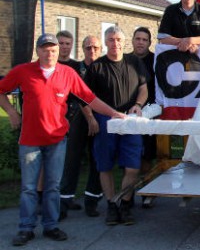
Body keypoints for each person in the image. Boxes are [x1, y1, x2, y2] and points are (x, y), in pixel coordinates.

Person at [0, 34, 125, 247]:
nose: (49, 53)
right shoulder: (23, 71)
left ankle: (50, 225)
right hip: (30, 140)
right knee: (29, 188)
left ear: (59, 51)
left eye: (53, 49)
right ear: (38, 51)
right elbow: (2, 90)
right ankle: (25, 228)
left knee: (53, 186)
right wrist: (11, 112)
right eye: (45, 49)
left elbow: (90, 98)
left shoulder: (67, 73)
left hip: (57, 140)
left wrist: (114, 113)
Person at [83, 26, 148, 226]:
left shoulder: (135, 62)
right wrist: (91, 119)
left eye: (118, 39)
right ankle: (112, 205)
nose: (115, 43)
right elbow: (85, 98)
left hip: (129, 121)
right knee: (105, 165)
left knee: (132, 167)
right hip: (105, 121)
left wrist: (138, 105)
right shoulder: (96, 67)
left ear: (123, 41)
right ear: (106, 42)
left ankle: (125, 204)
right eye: (111, 40)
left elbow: (144, 89)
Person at [59, 35, 104, 220]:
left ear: (100, 49)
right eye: (87, 48)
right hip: (78, 117)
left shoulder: (104, 67)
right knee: (72, 160)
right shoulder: (75, 68)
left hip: (99, 118)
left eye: (95, 47)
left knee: (97, 160)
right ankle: (64, 202)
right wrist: (89, 117)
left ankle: (91, 201)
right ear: (82, 49)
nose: (91, 51)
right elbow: (78, 96)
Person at [129, 27, 157, 207]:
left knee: (147, 155)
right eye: (137, 39)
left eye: (144, 39)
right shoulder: (125, 60)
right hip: (129, 114)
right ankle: (128, 194)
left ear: (149, 42)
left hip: (150, 113)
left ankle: (147, 192)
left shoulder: (156, 61)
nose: (140, 42)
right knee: (130, 156)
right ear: (132, 40)